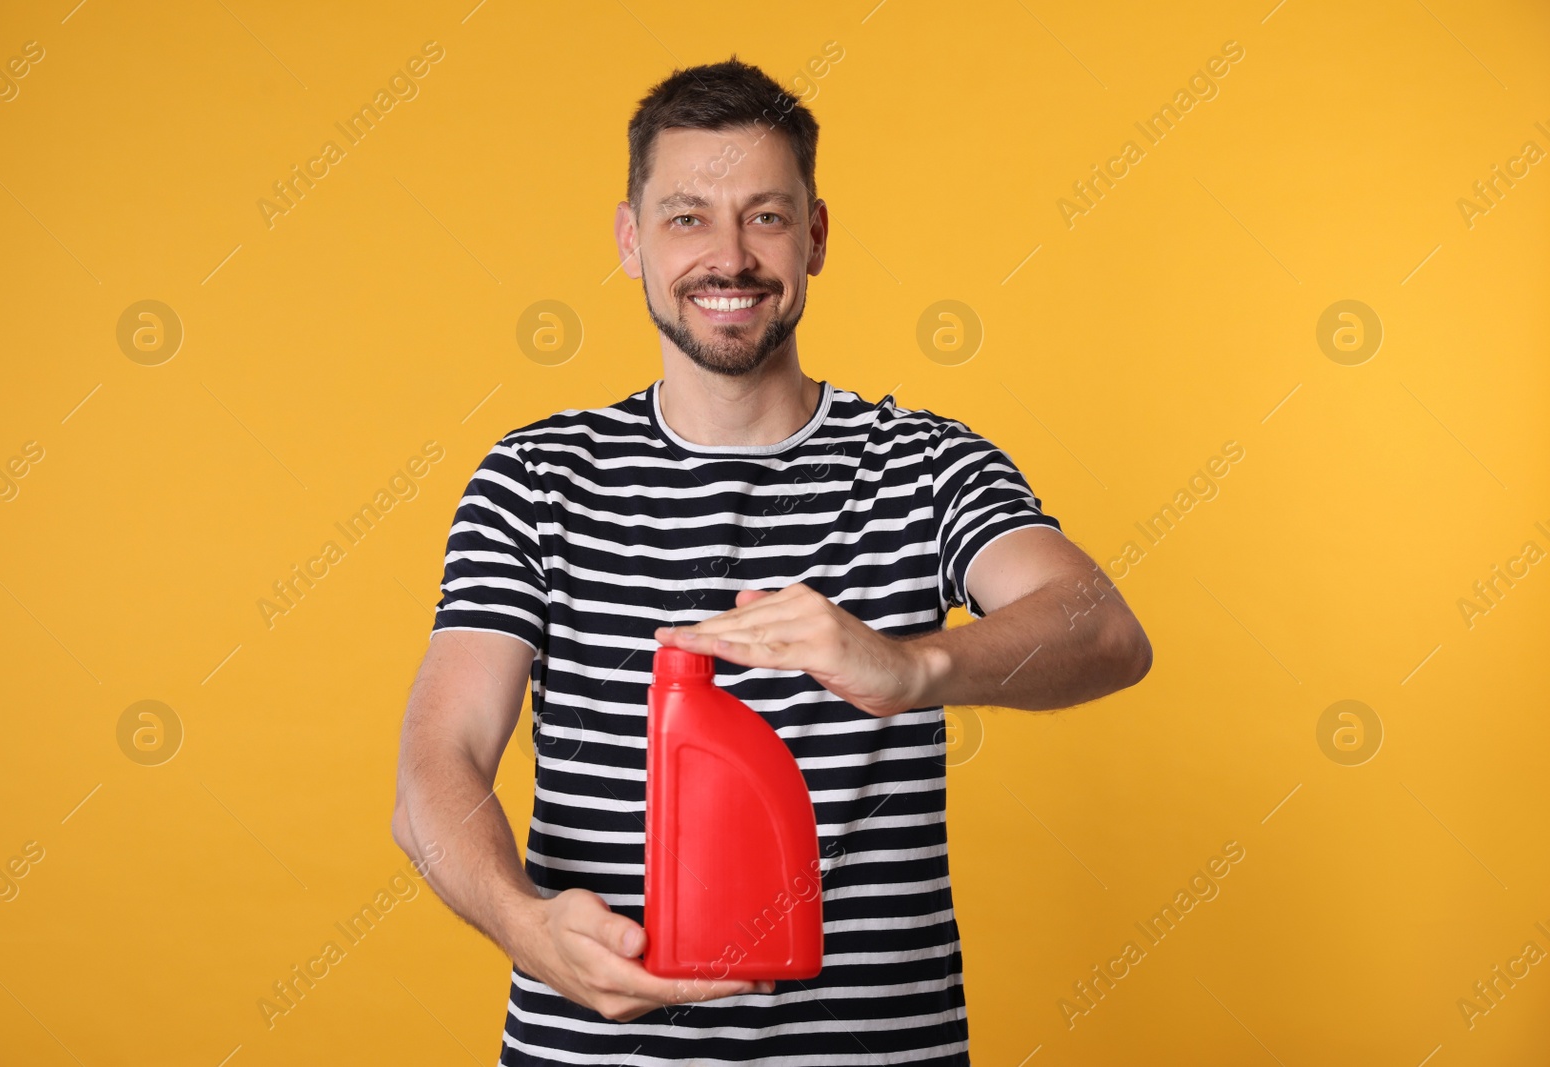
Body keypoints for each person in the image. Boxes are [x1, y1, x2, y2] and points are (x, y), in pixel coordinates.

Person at [392, 56, 1152, 1065]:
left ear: (815, 236)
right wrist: (524, 925)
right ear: (630, 240)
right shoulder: (536, 477)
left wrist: (913, 665)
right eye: (685, 216)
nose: (728, 256)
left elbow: (1101, 627)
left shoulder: (921, 463)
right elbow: (433, 769)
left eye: (764, 216)